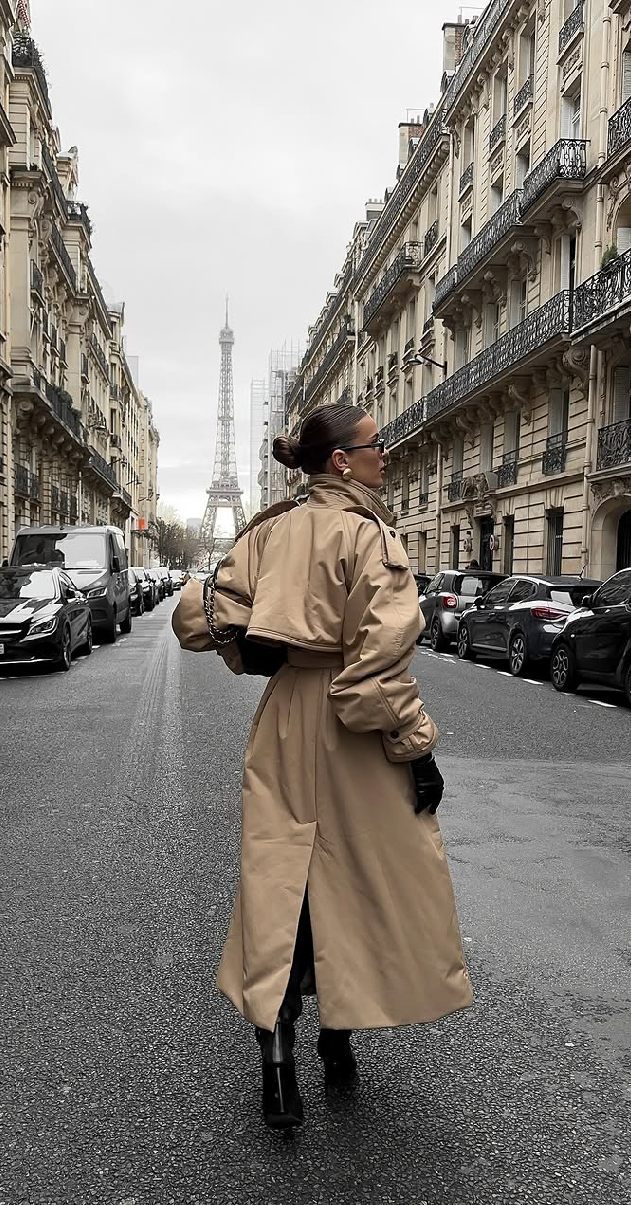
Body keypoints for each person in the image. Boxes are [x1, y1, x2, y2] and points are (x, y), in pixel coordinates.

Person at [172, 402, 472, 1131]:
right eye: (377, 445)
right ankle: (337, 1039)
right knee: (357, 879)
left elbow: (194, 614)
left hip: (284, 718)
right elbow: (379, 668)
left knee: (280, 881)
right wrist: (416, 747)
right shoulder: (371, 537)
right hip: (352, 732)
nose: (386, 455)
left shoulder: (267, 532)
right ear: (341, 460)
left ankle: (278, 1069)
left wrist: (257, 644)